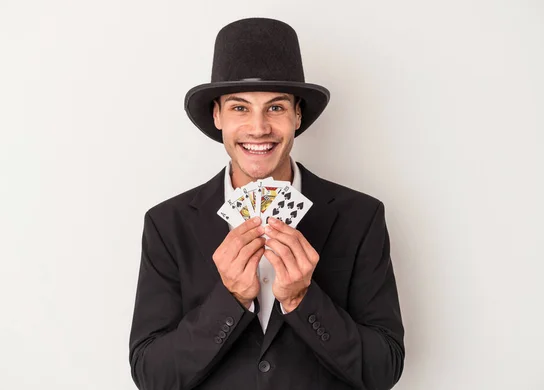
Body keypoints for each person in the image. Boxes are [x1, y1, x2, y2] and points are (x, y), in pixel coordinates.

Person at [128, 17, 405, 390]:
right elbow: (152, 376)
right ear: (217, 116)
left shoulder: (361, 217)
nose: (258, 128)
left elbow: (383, 370)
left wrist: (302, 301)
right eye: (240, 108)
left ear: (297, 115)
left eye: (275, 108)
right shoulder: (167, 224)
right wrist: (230, 300)